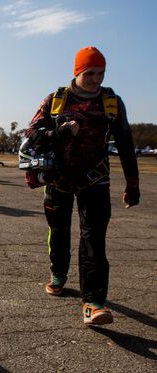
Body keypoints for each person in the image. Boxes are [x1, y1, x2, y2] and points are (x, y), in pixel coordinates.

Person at [24, 46, 139, 326]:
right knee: (59, 231)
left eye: (101, 73)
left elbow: (125, 142)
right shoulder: (56, 100)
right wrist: (60, 131)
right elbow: (32, 135)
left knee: (94, 240)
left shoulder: (112, 102)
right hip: (58, 180)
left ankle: (94, 303)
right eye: (90, 73)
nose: (96, 79)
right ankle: (58, 273)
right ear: (77, 71)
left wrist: (132, 182)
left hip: (95, 180)